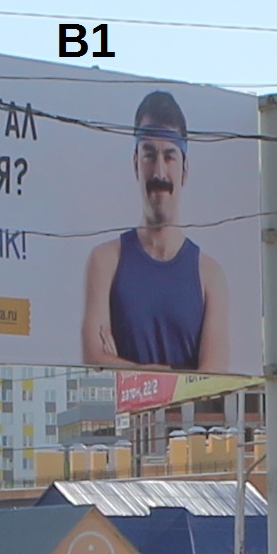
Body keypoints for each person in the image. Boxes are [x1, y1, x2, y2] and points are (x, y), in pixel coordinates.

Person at [80, 89, 232, 373]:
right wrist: (176, 375)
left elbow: (212, 378)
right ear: (135, 164)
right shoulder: (105, 262)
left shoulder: (210, 275)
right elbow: (93, 358)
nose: (159, 172)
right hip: (120, 407)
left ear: (185, 169)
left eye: (169, 157)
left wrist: (132, 370)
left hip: (187, 410)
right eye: (149, 155)